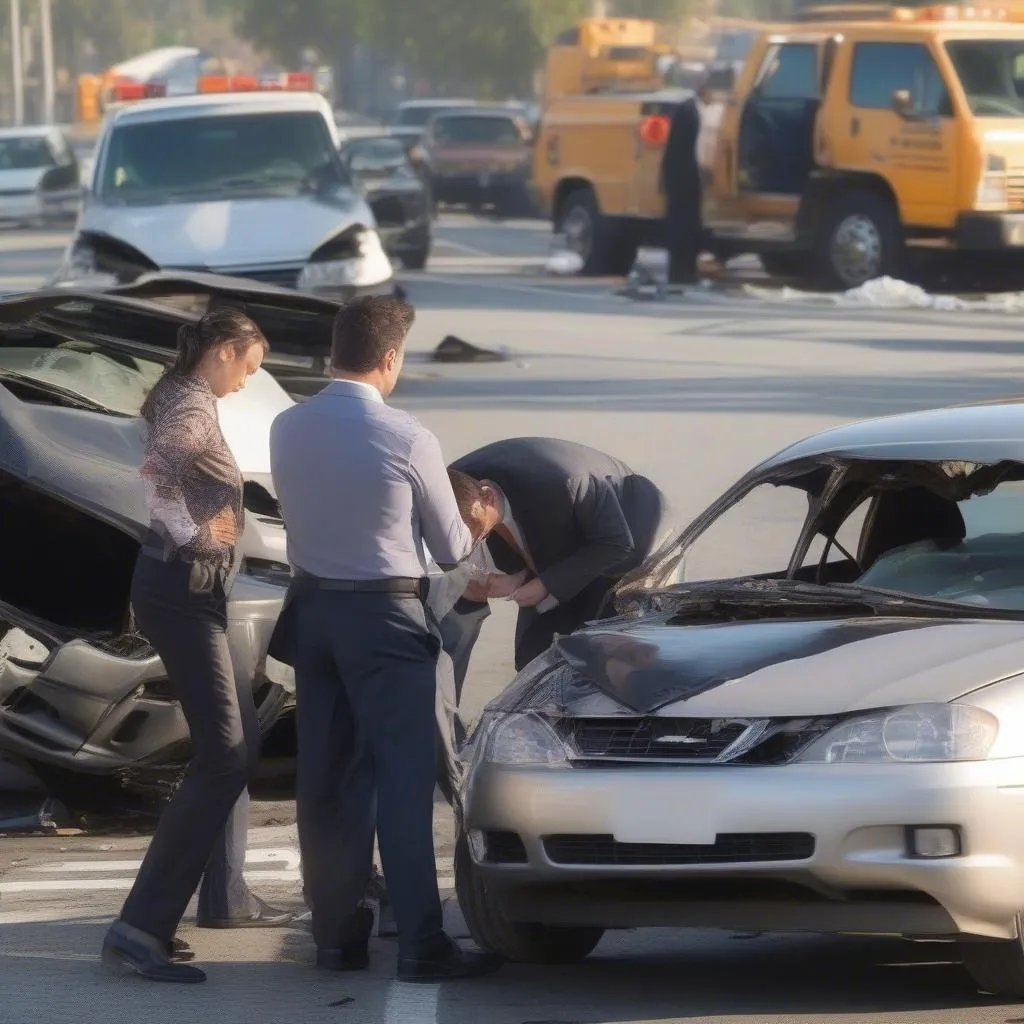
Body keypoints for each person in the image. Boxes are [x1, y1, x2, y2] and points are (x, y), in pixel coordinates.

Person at [268, 295, 503, 983]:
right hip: (383, 617)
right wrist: (480, 522)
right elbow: (452, 543)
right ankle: (422, 944)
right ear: (391, 359)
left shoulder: (287, 425)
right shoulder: (408, 438)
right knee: (402, 782)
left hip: (312, 614)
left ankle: (336, 937)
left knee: (327, 780)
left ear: (334, 352)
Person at [101, 308, 291, 985]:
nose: (247, 382)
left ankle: (203, 902)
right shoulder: (191, 404)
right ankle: (140, 926)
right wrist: (193, 536)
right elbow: (156, 475)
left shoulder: (182, 391)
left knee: (231, 749)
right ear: (225, 352)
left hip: (183, 590)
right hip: (184, 590)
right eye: (248, 367)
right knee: (226, 757)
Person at [441, 437, 671, 702]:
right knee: (535, 656)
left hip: (629, 532)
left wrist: (545, 584)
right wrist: (502, 577)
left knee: (603, 650)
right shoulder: (452, 486)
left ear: (488, 497)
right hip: (555, 542)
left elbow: (616, 544)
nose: (477, 542)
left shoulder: (565, 484)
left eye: (479, 534)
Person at [661, 79, 713, 285]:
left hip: (681, 176)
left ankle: (683, 271)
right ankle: (680, 273)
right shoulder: (691, 111)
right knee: (683, 226)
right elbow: (691, 148)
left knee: (686, 225)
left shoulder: (691, 109)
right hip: (682, 177)